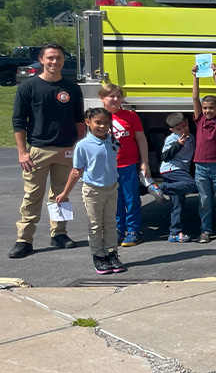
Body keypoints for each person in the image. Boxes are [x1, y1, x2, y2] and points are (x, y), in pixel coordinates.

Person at [10, 44, 83, 259]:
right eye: (50, 58)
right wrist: (22, 152)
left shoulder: (71, 88)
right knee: (32, 196)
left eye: (58, 57)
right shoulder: (28, 87)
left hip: (66, 150)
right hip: (38, 150)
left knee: (61, 195)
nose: (54, 62)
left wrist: (77, 147)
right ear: (41, 60)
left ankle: (59, 233)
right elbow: (18, 121)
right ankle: (24, 239)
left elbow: (79, 119)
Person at [55, 107, 127, 274]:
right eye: (98, 122)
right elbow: (76, 171)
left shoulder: (113, 141)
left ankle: (111, 253)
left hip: (112, 188)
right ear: (88, 123)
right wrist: (65, 192)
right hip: (93, 190)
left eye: (106, 123)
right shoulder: (83, 146)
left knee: (110, 223)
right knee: (95, 225)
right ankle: (98, 255)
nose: (102, 126)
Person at [99, 83, 153, 247]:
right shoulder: (99, 117)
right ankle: (118, 230)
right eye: (111, 96)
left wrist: (144, 162)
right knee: (114, 201)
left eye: (118, 96)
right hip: (108, 167)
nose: (115, 99)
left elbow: (141, 139)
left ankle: (134, 231)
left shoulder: (130, 116)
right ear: (102, 98)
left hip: (128, 165)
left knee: (131, 199)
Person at [191, 63, 216, 243]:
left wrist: (215, 76)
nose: (207, 111)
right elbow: (194, 98)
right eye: (205, 107)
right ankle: (205, 231)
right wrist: (195, 77)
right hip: (200, 166)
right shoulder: (199, 119)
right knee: (204, 202)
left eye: (211, 108)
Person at [160, 113, 198, 243]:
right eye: (179, 129)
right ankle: (160, 188)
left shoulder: (191, 137)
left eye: (184, 126)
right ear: (172, 130)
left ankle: (175, 233)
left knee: (178, 204)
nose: (183, 130)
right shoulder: (172, 139)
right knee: (192, 185)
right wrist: (178, 145)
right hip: (172, 170)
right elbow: (165, 156)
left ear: (187, 123)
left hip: (181, 170)